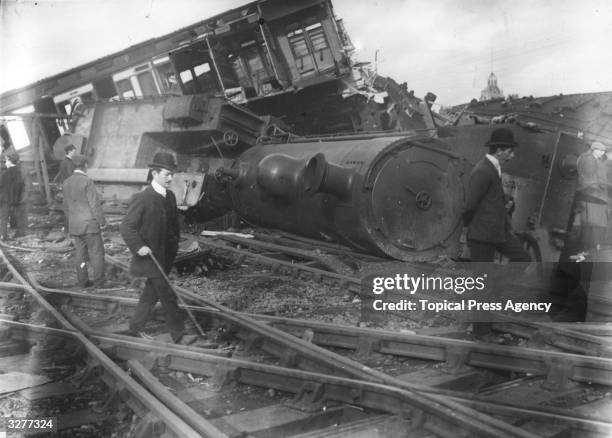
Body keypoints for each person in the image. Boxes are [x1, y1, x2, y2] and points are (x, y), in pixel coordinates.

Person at [120, 151, 189, 344]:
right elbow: (127, 227)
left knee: (151, 294)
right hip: (150, 258)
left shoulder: (171, 197)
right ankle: (178, 334)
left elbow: (173, 226)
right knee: (167, 294)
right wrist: (139, 246)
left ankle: (135, 327)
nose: (170, 178)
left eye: (172, 174)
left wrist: (175, 243)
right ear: (154, 173)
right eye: (167, 174)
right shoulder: (143, 197)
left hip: (166, 256)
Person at [463, 128, 531, 263]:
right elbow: (470, 204)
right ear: (499, 151)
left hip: (497, 233)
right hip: (482, 237)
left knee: (523, 258)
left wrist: (505, 200)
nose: (513, 155)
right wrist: (471, 227)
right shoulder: (483, 170)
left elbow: (488, 197)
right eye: (510, 151)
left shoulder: (493, 168)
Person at [62, 155, 106, 288]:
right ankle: (99, 282)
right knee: (96, 253)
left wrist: (71, 222)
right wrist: (102, 221)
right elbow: (94, 204)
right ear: (85, 165)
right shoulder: (87, 181)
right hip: (89, 225)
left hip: (75, 225)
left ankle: (83, 281)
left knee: (80, 254)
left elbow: (65, 207)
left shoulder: (66, 182)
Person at [575, 141, 610, 251]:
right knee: (591, 221)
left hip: (596, 194)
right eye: (600, 150)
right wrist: (599, 186)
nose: (602, 152)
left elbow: (601, 177)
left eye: (603, 151)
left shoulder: (597, 161)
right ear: (594, 149)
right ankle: (588, 245)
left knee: (595, 221)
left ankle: (593, 244)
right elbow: (589, 177)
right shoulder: (589, 159)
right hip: (591, 193)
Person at [0, 152, 28, 240]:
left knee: (4, 218)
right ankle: (19, 233)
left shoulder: (5, 174)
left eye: (6, 161)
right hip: (16, 199)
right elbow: (21, 186)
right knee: (18, 216)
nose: (5, 163)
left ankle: (3, 235)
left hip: (5, 199)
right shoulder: (19, 172)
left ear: (10, 161)